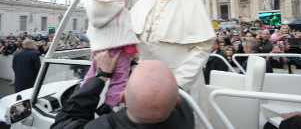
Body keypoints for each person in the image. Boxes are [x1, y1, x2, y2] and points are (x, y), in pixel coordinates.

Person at [130, 0, 215, 128]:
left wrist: (177, 83)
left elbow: (202, 47)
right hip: (145, 81)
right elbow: (128, 38)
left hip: (181, 81)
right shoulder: (143, 2)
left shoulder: (193, 3)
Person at [51, 51, 194, 129]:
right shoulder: (186, 114)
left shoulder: (103, 125)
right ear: (177, 101)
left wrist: (102, 76)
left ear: (122, 97)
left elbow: (62, 123)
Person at [80, 0, 140, 116]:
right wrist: (132, 53)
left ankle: (82, 92)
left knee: (91, 74)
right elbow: (126, 33)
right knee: (119, 79)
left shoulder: (95, 11)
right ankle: (109, 105)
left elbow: (91, 33)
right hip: (119, 53)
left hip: (100, 52)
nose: (128, 1)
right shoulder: (122, 11)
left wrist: (98, 47)